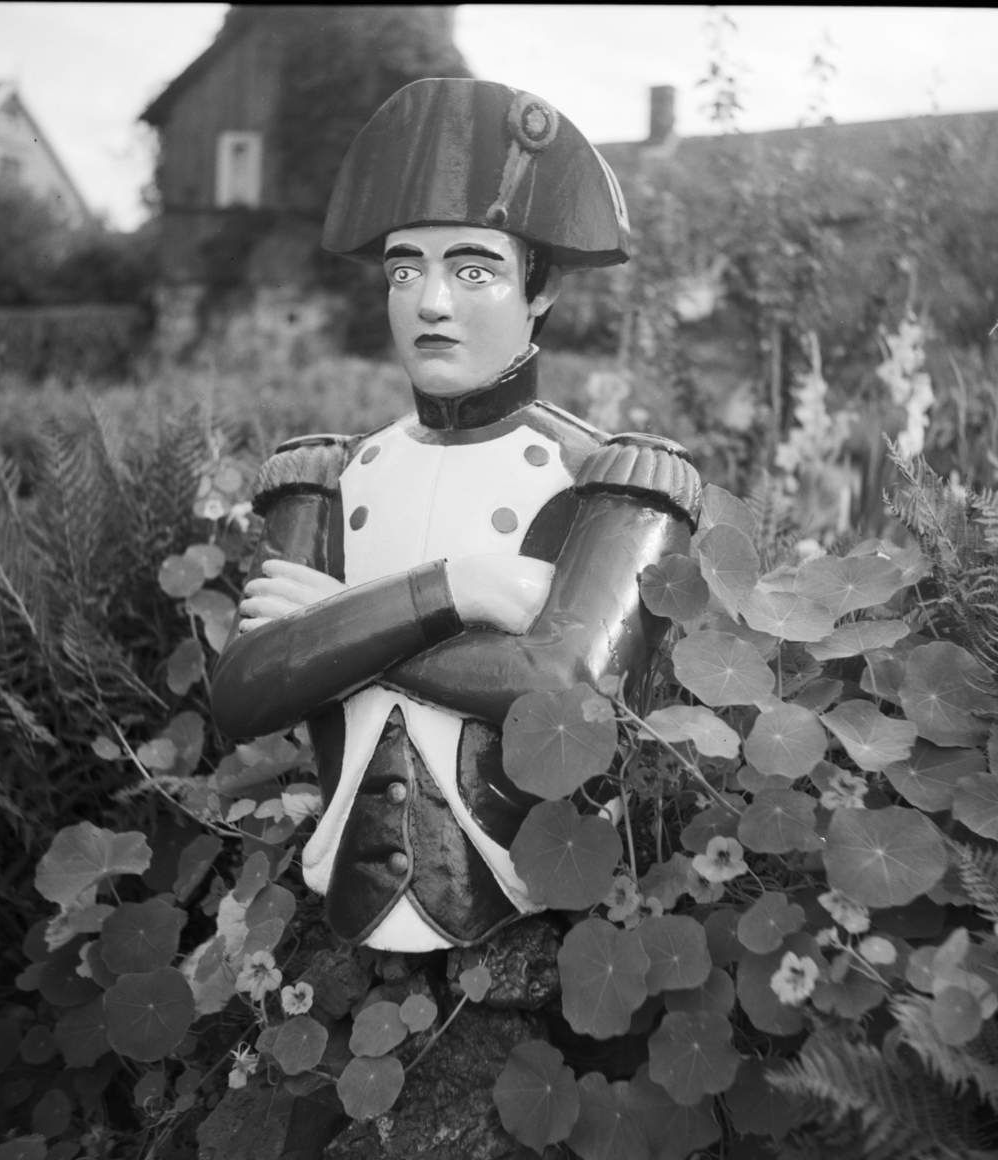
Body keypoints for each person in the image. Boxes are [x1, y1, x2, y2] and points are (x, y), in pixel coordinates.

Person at [211, 78, 702, 952]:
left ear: (540, 289)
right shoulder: (326, 475)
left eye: (473, 269)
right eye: (406, 270)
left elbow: (570, 693)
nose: (430, 302)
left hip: (517, 902)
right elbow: (244, 692)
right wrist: (455, 589)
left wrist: (333, 628)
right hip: (346, 896)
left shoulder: (613, 479)